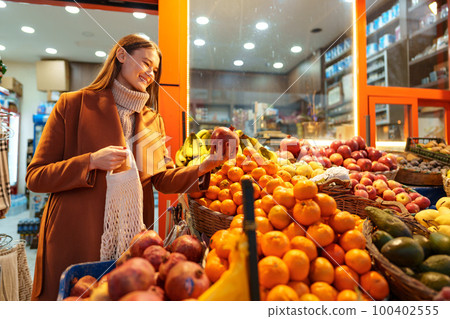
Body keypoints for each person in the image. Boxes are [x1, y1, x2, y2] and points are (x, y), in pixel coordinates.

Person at [26, 34, 227, 301]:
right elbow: (36, 177)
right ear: (121, 55)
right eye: (145, 63)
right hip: (75, 232)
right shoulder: (73, 104)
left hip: (131, 240)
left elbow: (162, 179)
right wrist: (90, 161)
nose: (150, 73)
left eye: (154, 69)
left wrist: (206, 166)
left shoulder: (152, 120)